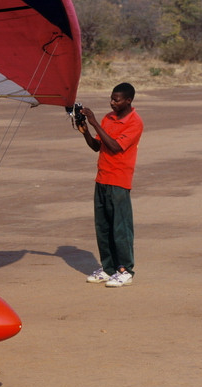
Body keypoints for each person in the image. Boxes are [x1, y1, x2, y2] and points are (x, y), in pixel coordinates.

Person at [78, 82, 144, 288]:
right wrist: (85, 131)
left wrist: (95, 122)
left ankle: (125, 270)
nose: (112, 102)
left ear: (128, 101)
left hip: (119, 181)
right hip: (102, 179)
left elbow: (115, 147)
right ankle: (108, 269)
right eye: (111, 98)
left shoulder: (135, 122)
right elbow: (98, 146)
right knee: (103, 227)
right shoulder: (108, 118)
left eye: (116, 99)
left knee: (120, 228)